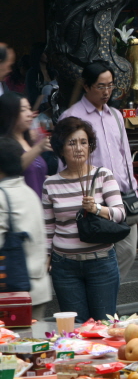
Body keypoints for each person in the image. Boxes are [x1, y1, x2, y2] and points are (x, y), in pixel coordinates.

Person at [59, 61, 138, 279]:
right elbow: (64, 163)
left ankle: (108, 294)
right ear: (86, 86)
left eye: (110, 86)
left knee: (128, 250)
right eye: (100, 86)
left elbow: (125, 155)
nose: (107, 92)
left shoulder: (115, 115)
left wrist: (132, 188)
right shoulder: (72, 117)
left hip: (121, 196)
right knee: (99, 254)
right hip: (93, 199)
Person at [43, 117, 125, 322]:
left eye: (83, 142)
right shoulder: (50, 184)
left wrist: (96, 208)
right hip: (65, 266)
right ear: (61, 149)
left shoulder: (103, 175)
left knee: (104, 326)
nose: (79, 148)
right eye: (72, 143)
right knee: (76, 328)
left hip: (101, 262)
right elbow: (48, 227)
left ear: (90, 146)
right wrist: (46, 258)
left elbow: (120, 213)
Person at [0, 137, 52, 320]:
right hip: (38, 288)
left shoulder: (2, 196)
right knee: (35, 344)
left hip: (11, 292)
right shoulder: (30, 192)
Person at [0, 91, 52, 196]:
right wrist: (38, 148)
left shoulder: (29, 142)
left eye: (29, 108)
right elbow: (13, 168)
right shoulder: (4, 145)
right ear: (9, 114)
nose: (29, 114)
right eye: (23, 110)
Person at [25, 42, 55, 109]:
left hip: (54, 107)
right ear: (38, 54)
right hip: (39, 109)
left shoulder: (52, 71)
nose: (47, 55)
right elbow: (32, 96)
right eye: (45, 53)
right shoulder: (32, 73)